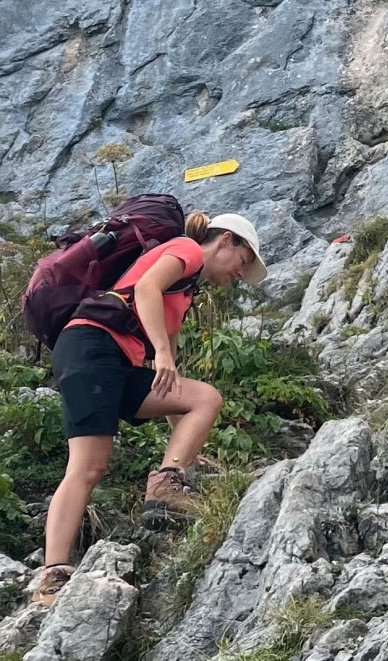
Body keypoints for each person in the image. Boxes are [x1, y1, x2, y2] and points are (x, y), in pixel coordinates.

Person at [33, 212, 268, 605]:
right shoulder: (186, 250)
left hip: (115, 361)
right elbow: (145, 289)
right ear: (226, 241)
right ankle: (53, 574)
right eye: (243, 263)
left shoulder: (187, 290)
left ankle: (166, 485)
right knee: (88, 467)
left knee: (204, 398)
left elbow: (173, 385)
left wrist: (186, 449)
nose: (240, 275)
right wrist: (160, 353)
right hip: (91, 348)